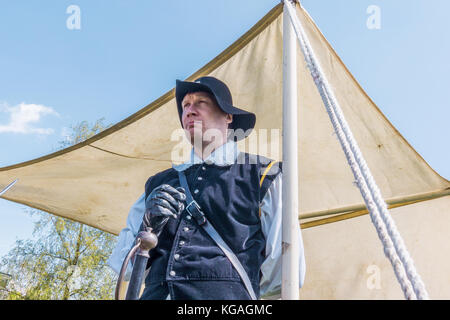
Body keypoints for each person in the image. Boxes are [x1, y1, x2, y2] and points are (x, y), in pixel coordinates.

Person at [108, 76, 306, 299]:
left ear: (228, 116)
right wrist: (146, 230)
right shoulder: (157, 184)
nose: (189, 111)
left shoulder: (263, 175)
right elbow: (123, 266)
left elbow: (286, 273)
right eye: (185, 106)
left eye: (201, 102)